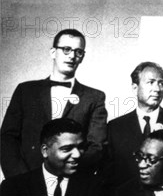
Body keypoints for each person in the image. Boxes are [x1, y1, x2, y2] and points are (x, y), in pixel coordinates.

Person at [1, 29, 107, 177]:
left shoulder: (94, 97)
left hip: (71, 185)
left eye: (78, 52)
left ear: (82, 57)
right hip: (26, 180)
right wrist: (20, 180)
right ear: (53, 52)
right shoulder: (25, 90)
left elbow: (96, 147)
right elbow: (7, 138)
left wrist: (70, 178)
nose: (72, 56)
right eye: (66, 49)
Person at [106, 62, 163, 187]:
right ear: (135, 88)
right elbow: (108, 175)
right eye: (151, 82)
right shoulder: (115, 127)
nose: (157, 89)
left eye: (161, 83)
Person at [0, 118, 102, 196]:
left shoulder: (94, 188)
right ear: (45, 151)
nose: (77, 154)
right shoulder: (12, 188)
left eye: (81, 147)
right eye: (67, 149)